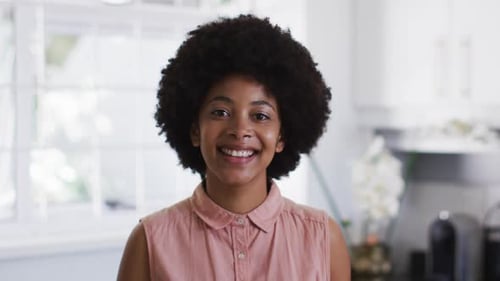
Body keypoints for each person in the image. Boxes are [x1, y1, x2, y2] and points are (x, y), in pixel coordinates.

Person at [117, 14, 350, 281]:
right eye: (220, 112)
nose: (240, 131)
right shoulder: (149, 242)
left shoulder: (323, 237)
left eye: (260, 116)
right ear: (195, 130)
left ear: (281, 137)